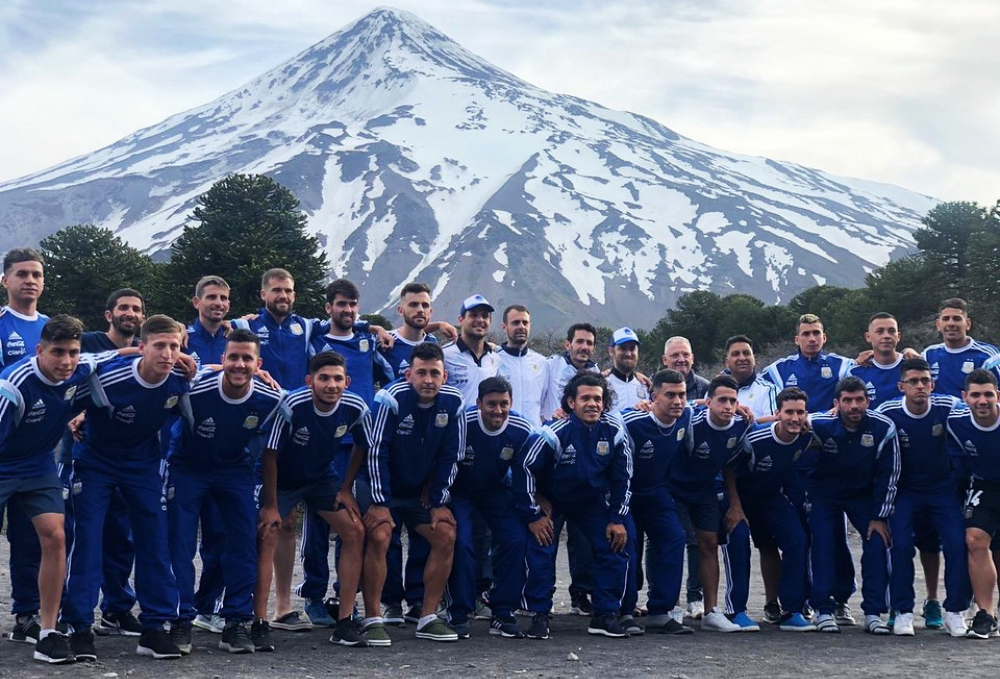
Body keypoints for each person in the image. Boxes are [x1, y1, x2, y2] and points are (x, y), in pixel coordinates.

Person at [62, 315, 193, 661]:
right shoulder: (109, 376)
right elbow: (64, 391)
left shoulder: (180, 380)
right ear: (142, 347)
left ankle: (155, 628)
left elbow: (226, 376)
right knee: (89, 540)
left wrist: (256, 372)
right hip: (96, 462)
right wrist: (76, 417)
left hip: (142, 465)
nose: (168, 354)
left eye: (174, 347)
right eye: (159, 346)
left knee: (154, 540)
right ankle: (79, 627)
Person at [167, 329, 283, 653]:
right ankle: (180, 621)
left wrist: (272, 501)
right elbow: (153, 392)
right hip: (187, 467)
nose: (239, 364)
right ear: (222, 359)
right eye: (233, 357)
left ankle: (235, 622)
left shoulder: (271, 399)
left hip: (234, 470)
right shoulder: (196, 387)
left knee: (243, 542)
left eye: (247, 358)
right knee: (180, 543)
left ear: (258, 364)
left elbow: (303, 407)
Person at [0, 315, 101, 663]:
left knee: (56, 536)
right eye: (57, 352)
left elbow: (116, 356)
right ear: (39, 351)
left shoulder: (80, 368)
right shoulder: (12, 384)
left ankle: (47, 633)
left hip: (38, 465)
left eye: (73, 352)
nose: (66, 361)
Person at [256, 351, 373, 648]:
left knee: (355, 531)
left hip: (321, 478)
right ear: (310, 381)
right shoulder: (293, 405)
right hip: (282, 478)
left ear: (347, 382)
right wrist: (271, 505)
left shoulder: (355, 406)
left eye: (337, 379)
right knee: (270, 530)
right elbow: (269, 454)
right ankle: (262, 620)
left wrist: (346, 487)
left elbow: (363, 445)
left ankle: (345, 621)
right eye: (324, 378)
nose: (331, 385)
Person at [301, 279, 394, 628]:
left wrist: (376, 328)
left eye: (353, 304)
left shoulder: (367, 341)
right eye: (341, 304)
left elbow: (391, 375)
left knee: (354, 521)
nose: (348, 310)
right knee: (318, 521)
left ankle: (345, 597)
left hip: (360, 446)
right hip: (323, 444)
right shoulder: (314, 339)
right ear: (329, 307)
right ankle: (313, 595)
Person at [361, 342, 466, 643]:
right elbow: (376, 452)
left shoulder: (454, 402)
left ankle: (428, 617)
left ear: (445, 376)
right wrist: (380, 502)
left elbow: (452, 455)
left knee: (446, 534)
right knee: (380, 534)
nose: (428, 380)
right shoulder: (390, 398)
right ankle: (373, 618)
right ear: (409, 375)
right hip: (382, 487)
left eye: (434, 373)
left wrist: (439, 500)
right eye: (421, 373)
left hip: (419, 491)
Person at [515, 372, 632, 639]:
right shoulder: (553, 433)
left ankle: (605, 614)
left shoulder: (614, 431)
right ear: (571, 402)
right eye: (585, 398)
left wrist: (616, 518)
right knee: (542, 546)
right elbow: (524, 468)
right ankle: (539, 614)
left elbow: (623, 478)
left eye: (598, 399)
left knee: (614, 544)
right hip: (552, 500)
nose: (592, 404)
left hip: (590, 501)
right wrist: (532, 514)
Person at [762, 313, 857, 625]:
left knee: (833, 535)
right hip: (794, 464)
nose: (812, 338)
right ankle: (799, 602)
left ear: (824, 337)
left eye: (816, 333)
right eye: (806, 333)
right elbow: (744, 382)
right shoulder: (779, 370)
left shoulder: (842, 365)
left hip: (829, 462)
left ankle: (839, 599)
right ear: (797, 339)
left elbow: (861, 387)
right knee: (799, 536)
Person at [68, 290, 145, 638]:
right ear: (108, 315)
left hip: (129, 457)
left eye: (136, 309)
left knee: (121, 537)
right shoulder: (88, 343)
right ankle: (73, 614)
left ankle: (116, 609)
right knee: (82, 536)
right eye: (123, 307)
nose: (130, 313)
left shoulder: (146, 350)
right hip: (87, 453)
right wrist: (75, 415)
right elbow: (68, 381)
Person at [876, 358, 969, 637]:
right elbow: (864, 425)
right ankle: (903, 611)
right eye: (913, 381)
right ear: (901, 386)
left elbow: (979, 412)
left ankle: (955, 611)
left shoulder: (948, 406)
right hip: (905, 491)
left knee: (956, 544)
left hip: (942, 490)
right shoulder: (888, 412)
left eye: (925, 381)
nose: (920, 386)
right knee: (901, 546)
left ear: (933, 384)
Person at [804, 376, 899, 635]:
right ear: (836, 403)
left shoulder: (883, 427)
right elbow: (791, 421)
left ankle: (873, 612)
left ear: (868, 401)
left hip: (862, 494)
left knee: (877, 540)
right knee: (823, 540)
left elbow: (890, 474)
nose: (854, 406)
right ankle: (823, 609)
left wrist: (880, 515)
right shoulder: (820, 423)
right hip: (825, 493)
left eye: (859, 400)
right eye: (847, 400)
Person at [446, 377, 532, 638]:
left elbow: (526, 472)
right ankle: (458, 611)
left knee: (516, 539)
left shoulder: (521, 428)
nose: (498, 410)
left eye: (504, 404)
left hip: (497, 490)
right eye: (491, 404)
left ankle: (503, 611)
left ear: (511, 403)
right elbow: (445, 461)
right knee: (462, 543)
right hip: (460, 492)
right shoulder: (464, 423)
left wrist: (533, 509)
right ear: (479, 403)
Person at [729, 388, 815, 632]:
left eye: (800, 412)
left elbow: (829, 420)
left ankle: (791, 610)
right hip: (740, 496)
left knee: (796, 539)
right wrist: (735, 507)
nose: (795, 418)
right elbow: (728, 468)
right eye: (789, 412)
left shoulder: (807, 436)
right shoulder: (756, 439)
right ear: (778, 413)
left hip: (770, 496)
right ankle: (736, 610)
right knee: (739, 542)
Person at [668, 375, 750, 632]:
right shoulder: (691, 419)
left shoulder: (741, 426)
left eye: (733, 401)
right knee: (675, 541)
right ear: (709, 402)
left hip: (705, 490)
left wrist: (736, 505)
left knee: (709, 543)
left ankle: (711, 611)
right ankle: (671, 607)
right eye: (722, 400)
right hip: (675, 488)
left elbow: (729, 466)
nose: (728, 406)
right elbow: (671, 408)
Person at [0, 248, 50, 643]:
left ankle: (27, 615)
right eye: (22, 274)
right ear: (5, 281)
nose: (30, 280)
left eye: (36, 274)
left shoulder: (51, 329)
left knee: (31, 538)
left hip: (36, 454)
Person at [619, 369, 693, 635]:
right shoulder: (631, 422)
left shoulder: (686, 416)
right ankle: (624, 611)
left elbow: (712, 408)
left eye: (682, 395)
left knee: (674, 538)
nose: (677, 401)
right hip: (626, 492)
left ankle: (660, 612)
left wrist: (743, 410)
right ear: (653, 397)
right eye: (670, 395)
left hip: (656, 491)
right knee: (627, 544)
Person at [181, 276, 232, 635]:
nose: (218, 303)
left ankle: (207, 606)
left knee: (220, 536)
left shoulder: (235, 339)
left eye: (223, 298)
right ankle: (178, 609)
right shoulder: (182, 339)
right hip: (183, 452)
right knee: (179, 539)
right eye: (211, 297)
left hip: (225, 453)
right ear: (196, 302)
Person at [539, 322, 600, 615]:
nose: (584, 347)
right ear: (568, 344)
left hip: (583, 466)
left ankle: (581, 594)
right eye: (579, 341)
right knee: (548, 534)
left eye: (589, 343)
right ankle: (542, 597)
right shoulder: (549, 365)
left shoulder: (598, 375)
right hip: (553, 461)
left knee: (583, 539)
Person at [720, 335, 780, 621]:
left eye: (747, 352)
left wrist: (747, 420)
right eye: (736, 354)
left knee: (768, 543)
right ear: (727, 360)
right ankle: (737, 609)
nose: (742, 357)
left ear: (754, 357)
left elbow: (779, 422)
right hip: (731, 476)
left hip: (764, 477)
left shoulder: (769, 388)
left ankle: (773, 603)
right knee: (737, 541)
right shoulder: (719, 388)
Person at [946, 369, 1000, 639]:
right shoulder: (955, 423)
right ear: (964, 397)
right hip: (984, 485)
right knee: (975, 540)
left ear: (997, 396)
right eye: (976, 395)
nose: (982, 401)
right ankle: (985, 614)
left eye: (988, 394)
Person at [661, 335, 710, 618]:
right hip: (664, 475)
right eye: (675, 355)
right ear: (665, 360)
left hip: (696, 475)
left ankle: (695, 597)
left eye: (685, 354)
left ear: (693, 357)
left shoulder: (706, 387)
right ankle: (664, 599)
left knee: (695, 539)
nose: (681, 359)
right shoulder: (653, 386)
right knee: (664, 540)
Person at [924, 298, 999, 398]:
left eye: (957, 319)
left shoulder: (987, 355)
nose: (951, 324)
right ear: (938, 325)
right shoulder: (928, 354)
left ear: (968, 324)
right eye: (946, 319)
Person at [443, 294, 501, 407]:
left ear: (490, 321)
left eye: (485, 316)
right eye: (473, 315)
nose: (480, 320)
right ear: (461, 320)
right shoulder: (445, 355)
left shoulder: (495, 358)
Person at [494, 305, 548, 426]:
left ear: (530, 326)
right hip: (504, 432)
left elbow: (545, 405)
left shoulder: (542, 362)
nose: (521, 327)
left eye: (525, 323)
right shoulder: (493, 359)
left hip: (534, 434)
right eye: (515, 323)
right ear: (504, 326)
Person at [850, 313, 904, 409]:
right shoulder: (854, 372)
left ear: (898, 336)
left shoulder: (912, 366)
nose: (886, 336)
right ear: (868, 337)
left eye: (891, 331)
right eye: (880, 331)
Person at [606, 327, 648, 412]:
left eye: (632, 349)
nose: (628, 354)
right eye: (622, 348)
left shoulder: (646, 386)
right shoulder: (603, 384)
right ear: (611, 351)